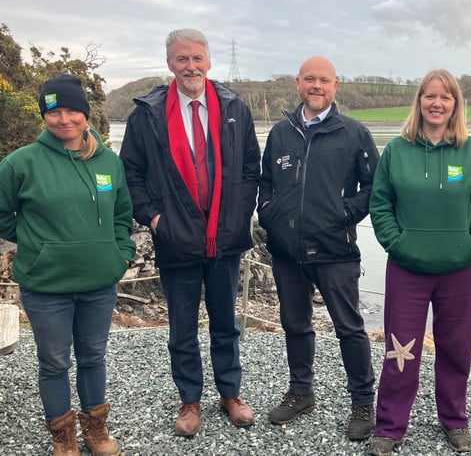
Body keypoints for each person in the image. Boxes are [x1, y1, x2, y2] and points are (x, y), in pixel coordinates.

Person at [119, 29, 260, 436]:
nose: (191, 66)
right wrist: (156, 219)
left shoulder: (234, 107)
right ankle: (190, 400)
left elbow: (251, 165)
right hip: (175, 237)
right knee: (182, 325)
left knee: (225, 322)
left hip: (224, 236)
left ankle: (230, 393)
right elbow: (133, 173)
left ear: (209, 62)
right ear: (170, 65)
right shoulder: (146, 114)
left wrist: (239, 214)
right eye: (182, 59)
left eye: (197, 58)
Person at [0, 74, 135, 455]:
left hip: (98, 284)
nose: (64, 119)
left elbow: (123, 215)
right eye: (54, 111)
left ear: (86, 114)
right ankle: (64, 437)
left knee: (93, 357)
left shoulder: (108, 161)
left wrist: (121, 252)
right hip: (45, 285)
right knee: (55, 362)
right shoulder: (20, 163)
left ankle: (96, 431)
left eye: (72, 110)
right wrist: (33, 241)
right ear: (44, 115)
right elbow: (2, 213)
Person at [367, 69, 471, 455]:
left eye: (445, 97)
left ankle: (455, 420)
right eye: (429, 96)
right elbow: (380, 205)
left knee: (456, 348)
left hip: (460, 270)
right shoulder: (396, 149)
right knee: (400, 349)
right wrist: (397, 243)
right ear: (419, 101)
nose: (437, 103)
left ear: (455, 104)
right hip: (407, 270)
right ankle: (390, 426)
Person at [258, 56, 379, 442]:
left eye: (324, 80)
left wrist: (344, 213)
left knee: (349, 327)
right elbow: (265, 181)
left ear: (335, 86)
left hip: (334, 248)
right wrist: (268, 213)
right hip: (286, 250)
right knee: (295, 324)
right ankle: (301, 391)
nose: (316, 86)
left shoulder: (354, 133)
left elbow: (374, 187)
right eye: (309, 79)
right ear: (297, 83)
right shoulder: (280, 133)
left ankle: (362, 401)